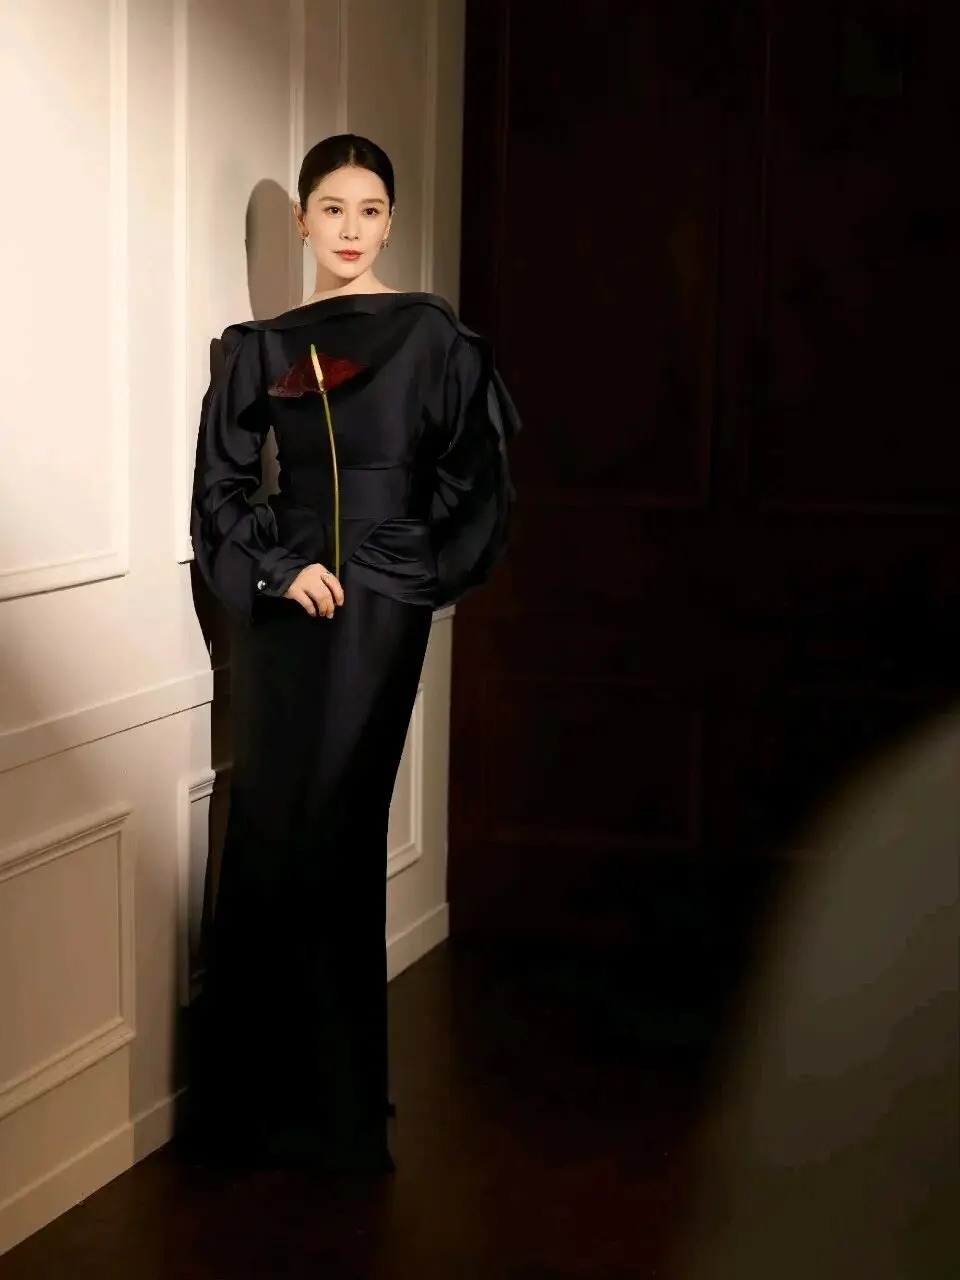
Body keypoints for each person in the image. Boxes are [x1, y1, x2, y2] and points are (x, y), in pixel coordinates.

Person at [186, 134, 519, 1173]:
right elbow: (218, 491)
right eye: (331, 208)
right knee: (269, 821)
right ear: (301, 222)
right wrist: (281, 567)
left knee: (337, 823)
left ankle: (336, 1117)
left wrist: (404, 566)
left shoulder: (429, 333)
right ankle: (248, 1111)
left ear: (389, 222)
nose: (350, 229)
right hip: (290, 606)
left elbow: (479, 473)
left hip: (378, 605)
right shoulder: (260, 345)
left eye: (370, 210)